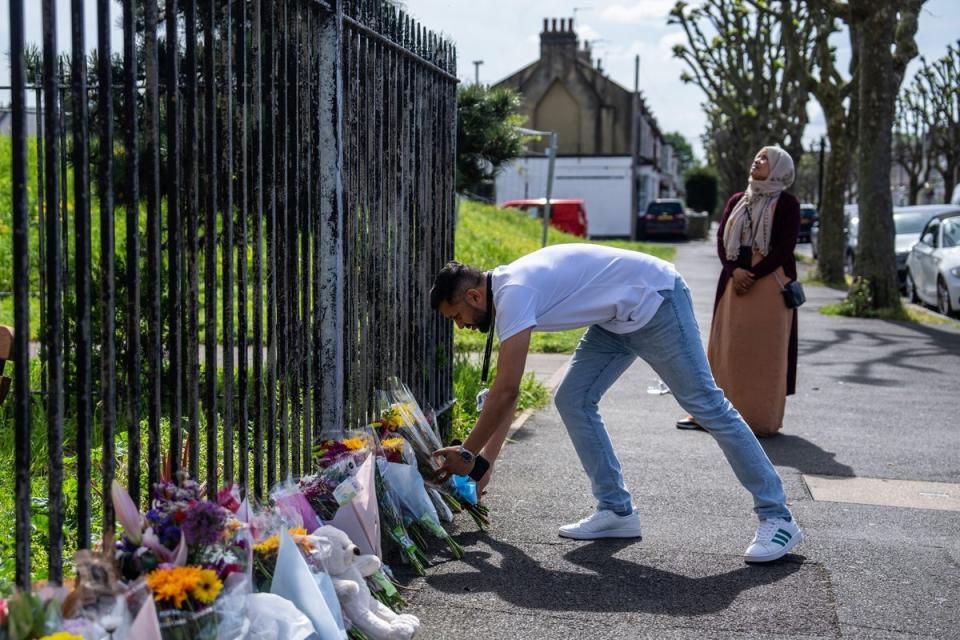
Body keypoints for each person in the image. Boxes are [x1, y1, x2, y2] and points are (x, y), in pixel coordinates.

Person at [429, 244, 802, 563]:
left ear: (474, 296)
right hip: (615, 319)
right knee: (573, 398)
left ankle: (778, 517)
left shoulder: (515, 292)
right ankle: (616, 510)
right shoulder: (506, 290)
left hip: (655, 300)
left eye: (457, 316)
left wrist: (467, 453)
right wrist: (481, 465)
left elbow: (507, 391)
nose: (460, 326)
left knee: (707, 405)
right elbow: (503, 394)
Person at [676, 146, 800, 437]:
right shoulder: (737, 200)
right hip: (736, 282)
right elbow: (721, 239)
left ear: (780, 168)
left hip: (769, 284)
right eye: (756, 156)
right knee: (726, 348)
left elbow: (784, 247)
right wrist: (735, 271)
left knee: (763, 353)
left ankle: (759, 419)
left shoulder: (787, 204)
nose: (757, 161)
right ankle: (710, 415)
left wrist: (753, 274)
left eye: (765, 159)